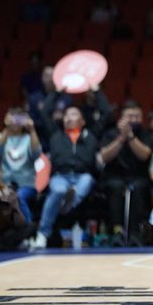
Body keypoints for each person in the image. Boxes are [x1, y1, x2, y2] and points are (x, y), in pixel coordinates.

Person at [31, 106, 100, 249]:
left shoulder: (90, 136)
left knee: (87, 180)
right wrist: (56, 93)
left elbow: (106, 113)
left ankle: (68, 203)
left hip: (82, 175)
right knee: (59, 190)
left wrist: (95, 93)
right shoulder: (55, 135)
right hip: (60, 176)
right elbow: (44, 112)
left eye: (73, 114)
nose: (68, 118)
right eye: (66, 115)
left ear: (82, 121)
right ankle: (42, 234)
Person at [100, 100, 153, 247]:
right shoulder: (110, 133)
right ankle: (117, 232)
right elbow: (105, 156)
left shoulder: (145, 134)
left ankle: (136, 233)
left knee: (138, 188)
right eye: (130, 116)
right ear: (122, 118)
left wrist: (130, 137)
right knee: (115, 187)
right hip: (115, 176)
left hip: (138, 176)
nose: (134, 120)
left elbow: (145, 155)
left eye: (137, 116)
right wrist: (121, 138)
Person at [0, 108, 41, 222]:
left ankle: (28, 228)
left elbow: (36, 155)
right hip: (3, 183)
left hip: (26, 185)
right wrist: (7, 128)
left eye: (19, 118)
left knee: (19, 197)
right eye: (13, 117)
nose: (16, 121)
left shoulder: (29, 138)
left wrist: (32, 130)